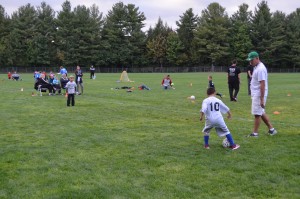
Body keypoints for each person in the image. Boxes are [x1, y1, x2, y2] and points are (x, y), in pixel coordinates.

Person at [246, 51, 277, 137]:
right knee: (261, 112)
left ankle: (255, 133)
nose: (250, 62)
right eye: (249, 60)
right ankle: (272, 130)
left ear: (257, 58)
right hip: (256, 93)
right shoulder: (256, 67)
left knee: (257, 114)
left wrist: (261, 99)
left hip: (259, 94)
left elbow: (262, 84)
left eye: (251, 60)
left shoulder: (260, 69)